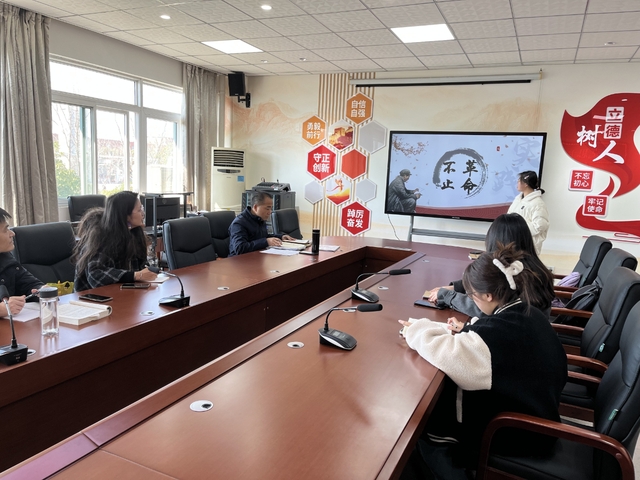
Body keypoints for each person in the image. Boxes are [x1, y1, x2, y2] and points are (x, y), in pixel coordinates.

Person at [398, 244, 567, 479]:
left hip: (517, 432)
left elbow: (450, 354)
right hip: (539, 413)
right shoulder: (528, 313)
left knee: (429, 427)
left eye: (472, 296)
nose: (473, 300)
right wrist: (467, 329)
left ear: (488, 295)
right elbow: (494, 340)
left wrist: (416, 330)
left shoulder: (496, 335)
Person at [425, 213, 555, 318]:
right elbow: (487, 287)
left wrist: (448, 296)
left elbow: (487, 310)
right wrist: (457, 287)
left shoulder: (514, 277)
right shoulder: (534, 269)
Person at [72, 191, 157, 291]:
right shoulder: (100, 237)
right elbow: (96, 275)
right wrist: (136, 275)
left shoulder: (135, 233)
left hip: (122, 292)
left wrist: (148, 272)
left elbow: (140, 267)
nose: (143, 213)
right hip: (91, 297)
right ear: (125, 215)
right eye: (139, 210)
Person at [0, 208, 45, 317]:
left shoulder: (6, 258)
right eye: (5, 230)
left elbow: (29, 284)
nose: (12, 234)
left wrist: (42, 290)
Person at [229, 191, 296, 257]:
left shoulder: (259, 219)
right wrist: (266, 242)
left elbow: (263, 236)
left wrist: (281, 237)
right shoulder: (239, 223)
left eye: (271, 209)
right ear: (255, 207)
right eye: (267, 208)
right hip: (239, 261)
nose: (270, 212)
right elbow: (240, 248)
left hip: (257, 257)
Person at [507, 170, 549, 254]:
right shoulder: (518, 199)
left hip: (528, 247)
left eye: (519, 181)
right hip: (513, 243)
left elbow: (540, 226)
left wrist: (518, 228)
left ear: (526, 184)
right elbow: (509, 216)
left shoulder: (538, 203)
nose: (517, 183)